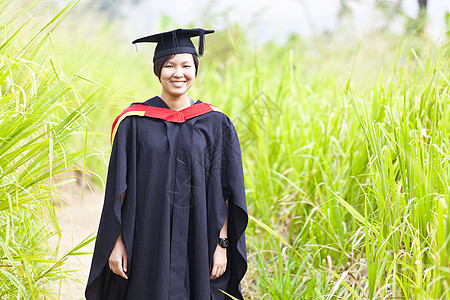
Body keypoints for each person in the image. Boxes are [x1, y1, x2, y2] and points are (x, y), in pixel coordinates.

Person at [85, 28, 248, 300]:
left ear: (195, 69)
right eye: (169, 65)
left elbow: (228, 190)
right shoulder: (134, 123)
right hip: (146, 237)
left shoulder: (215, 123)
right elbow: (118, 190)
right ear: (158, 70)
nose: (178, 73)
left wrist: (222, 245)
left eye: (186, 65)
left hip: (200, 239)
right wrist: (116, 242)